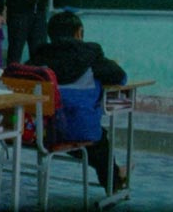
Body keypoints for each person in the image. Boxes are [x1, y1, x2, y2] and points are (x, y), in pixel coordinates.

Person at [27, 10, 127, 191]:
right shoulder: (91, 55)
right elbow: (120, 77)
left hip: (38, 131)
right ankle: (114, 181)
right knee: (97, 139)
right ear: (79, 32)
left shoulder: (39, 56)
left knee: (85, 136)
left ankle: (116, 174)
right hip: (77, 130)